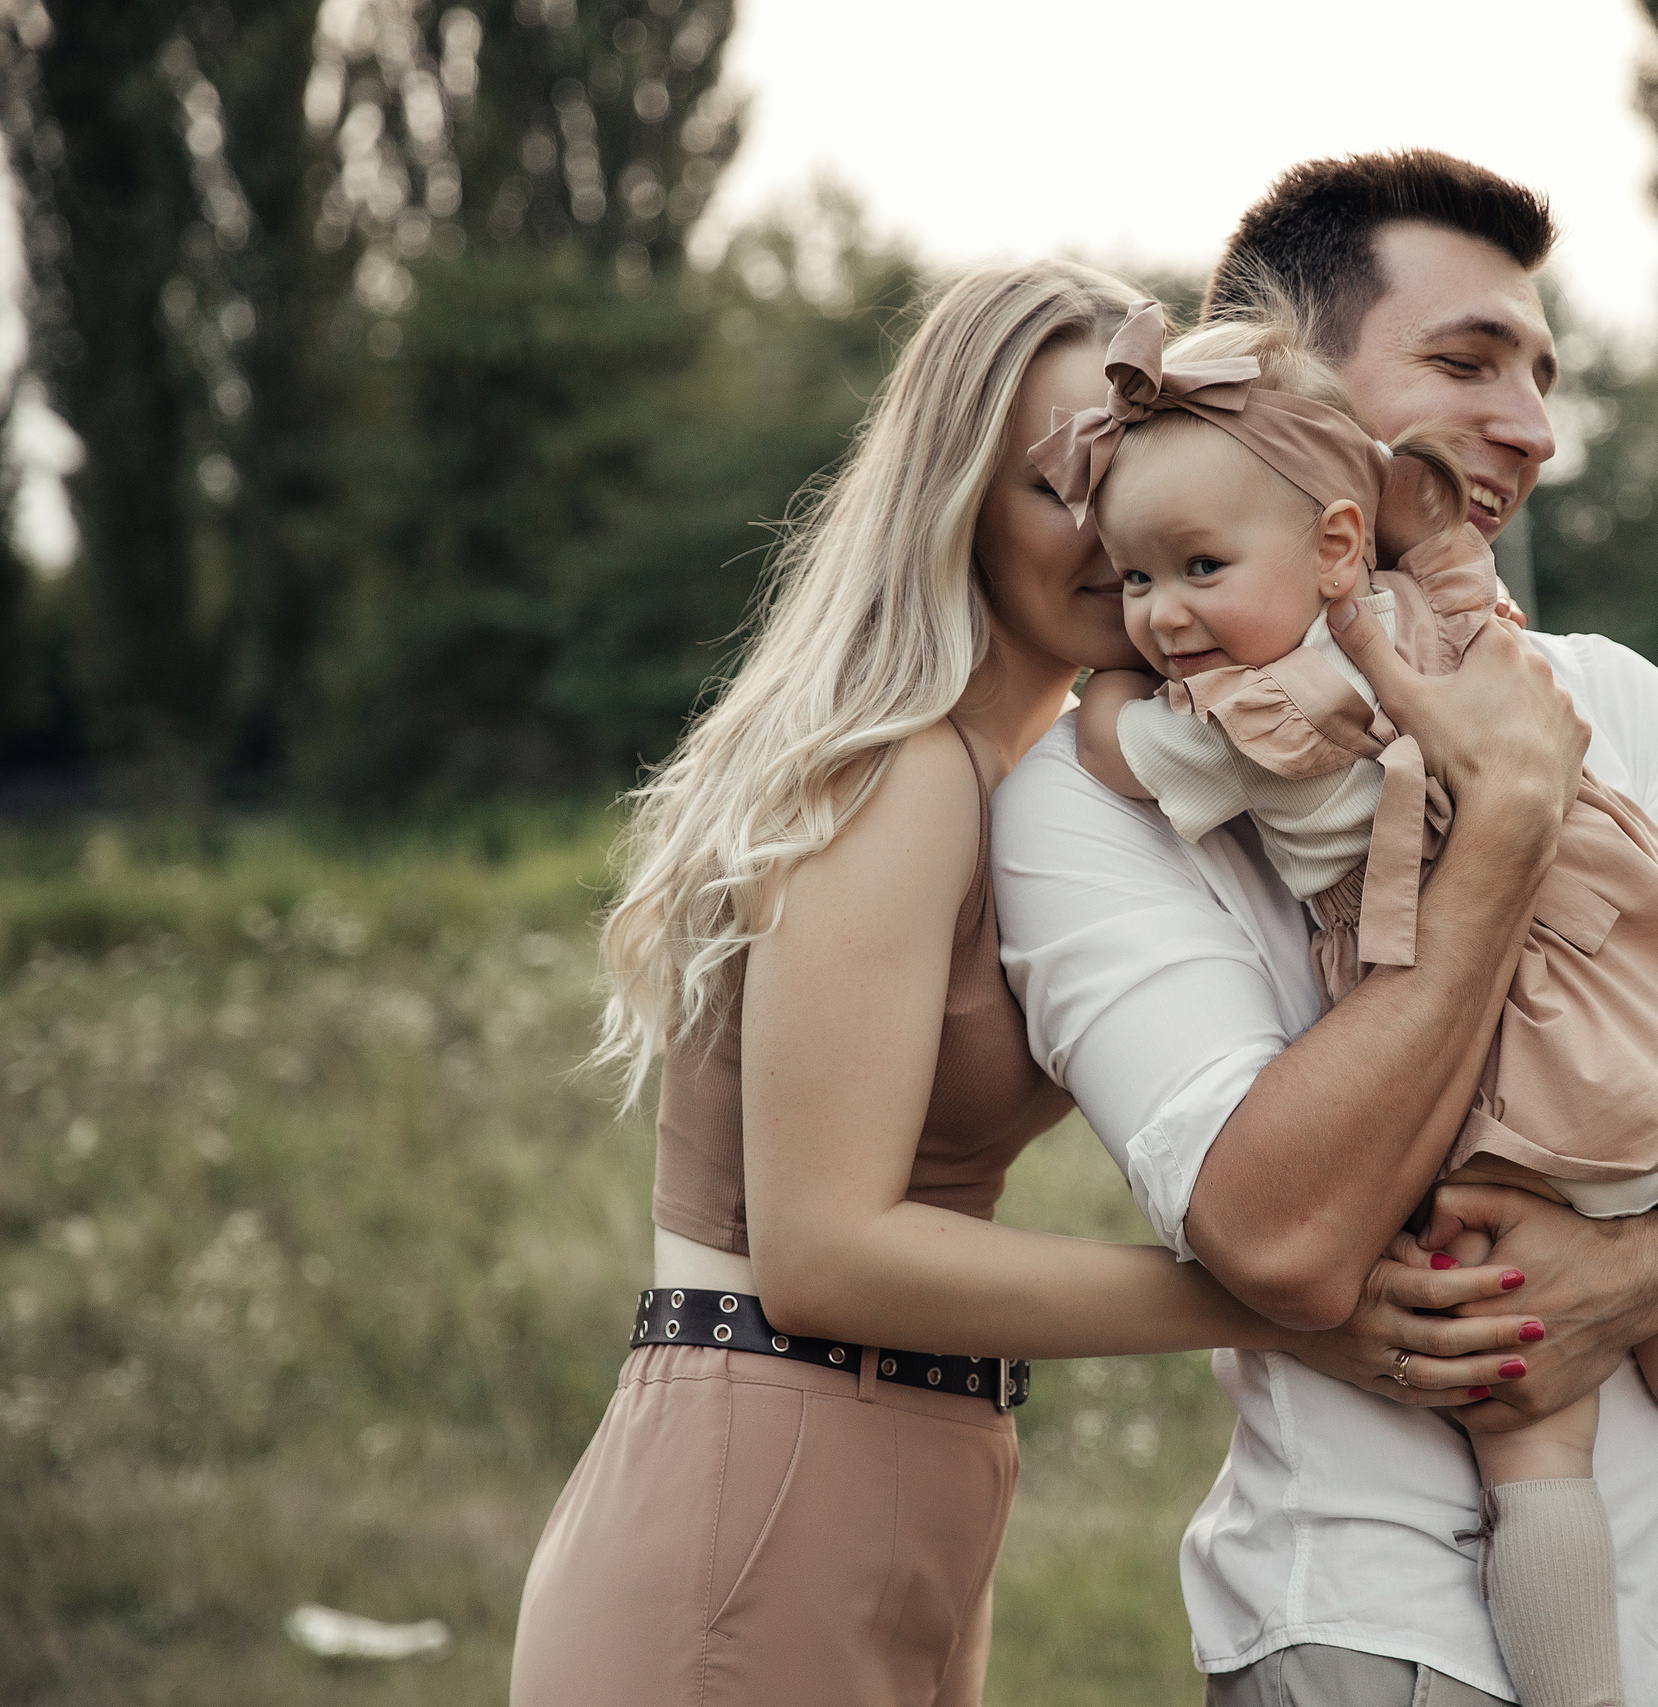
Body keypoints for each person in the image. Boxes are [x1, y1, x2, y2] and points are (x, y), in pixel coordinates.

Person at [994, 152, 1658, 1707]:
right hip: (1379, 1638)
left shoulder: (1604, 692)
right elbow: (1282, 1234)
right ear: (1288, 388)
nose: (1531, 425)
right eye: (1467, 361)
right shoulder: (1082, 801)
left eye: (1540, 372)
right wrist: (1505, 830)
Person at [507, 260, 1542, 1707]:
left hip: (914, 1471)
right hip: (764, 1484)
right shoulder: (902, 771)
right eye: (1062, 484)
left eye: (1131, 476)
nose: (1110, 524)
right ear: (956, 508)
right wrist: (1271, 1306)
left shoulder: (1059, 792)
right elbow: (824, 1256)